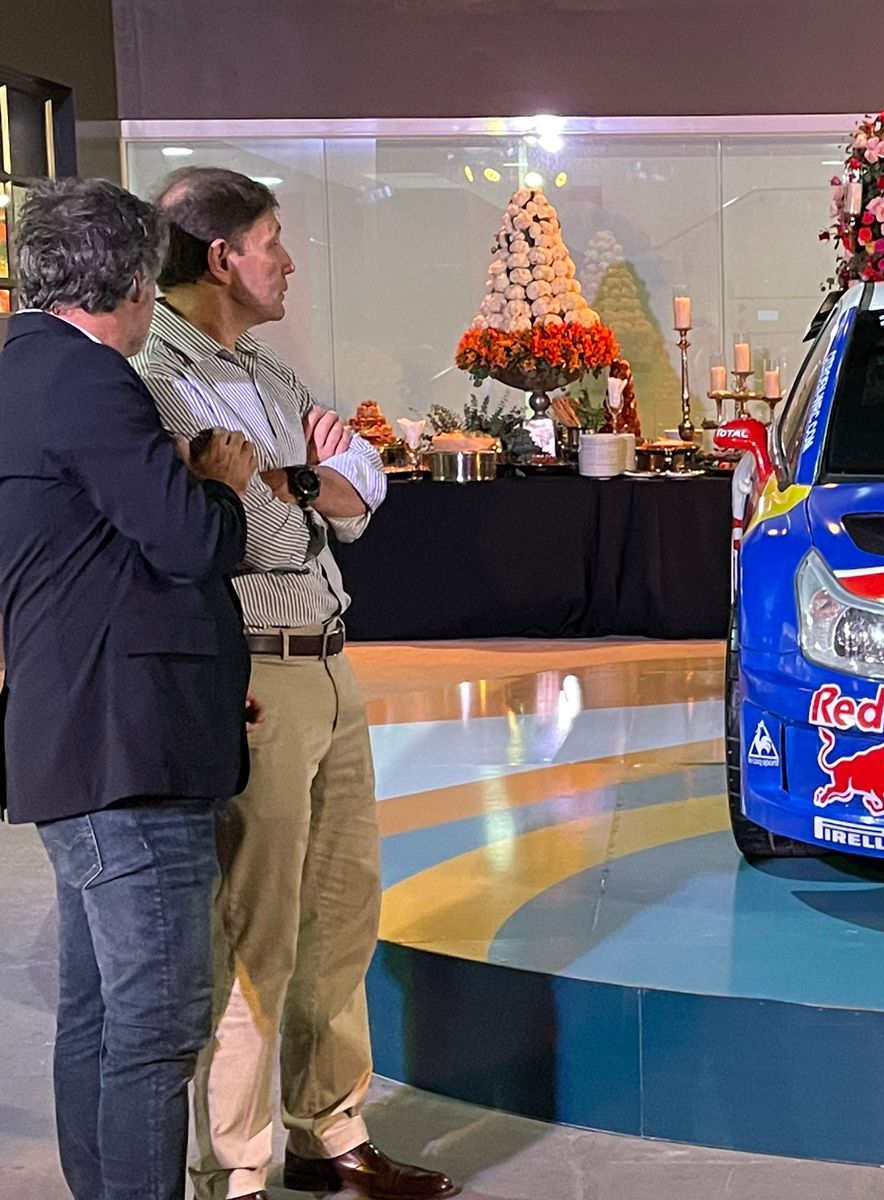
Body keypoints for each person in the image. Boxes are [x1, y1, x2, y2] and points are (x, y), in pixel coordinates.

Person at [134, 166, 455, 1200]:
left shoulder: (266, 370)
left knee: (340, 917)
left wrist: (295, 482)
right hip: (255, 678)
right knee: (252, 933)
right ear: (223, 256)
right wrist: (302, 495)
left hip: (330, 662)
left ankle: (330, 1133)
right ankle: (231, 1167)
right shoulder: (156, 372)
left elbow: (365, 494)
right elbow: (254, 538)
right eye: (273, 241)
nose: (289, 263)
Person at [0, 177, 258, 1200]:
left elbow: (98, 552)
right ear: (134, 286)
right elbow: (190, 542)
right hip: (125, 750)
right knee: (155, 1024)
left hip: (80, 732)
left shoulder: (22, 367)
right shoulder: (88, 379)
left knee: (101, 1014)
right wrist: (222, 486)